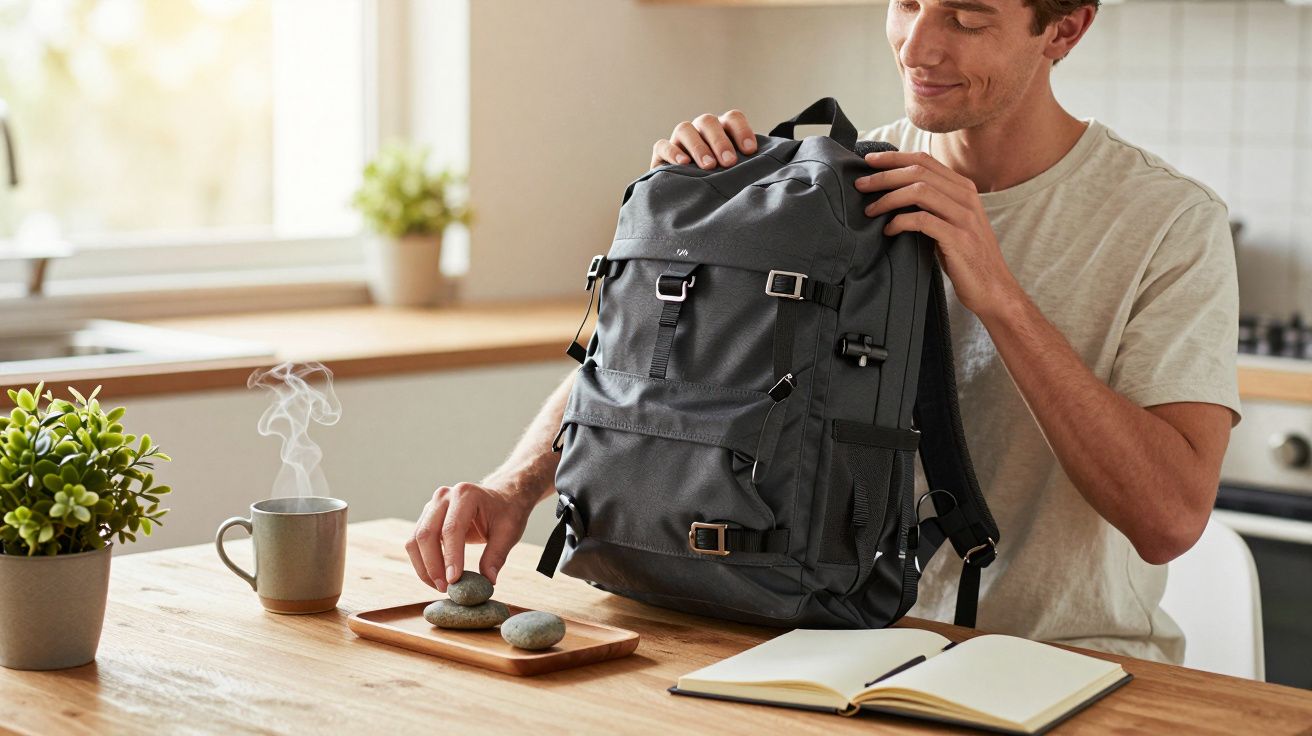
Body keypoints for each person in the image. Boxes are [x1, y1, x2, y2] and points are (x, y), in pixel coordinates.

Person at [406, 0, 1241, 664]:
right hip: (823, 644)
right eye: (906, 1)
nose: (918, 44)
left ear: (1065, 28)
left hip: (1054, 665)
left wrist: (999, 293)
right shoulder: (825, 178)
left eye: (967, 16)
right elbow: (659, 370)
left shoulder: (1168, 222)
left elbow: (1168, 519)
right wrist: (515, 484)